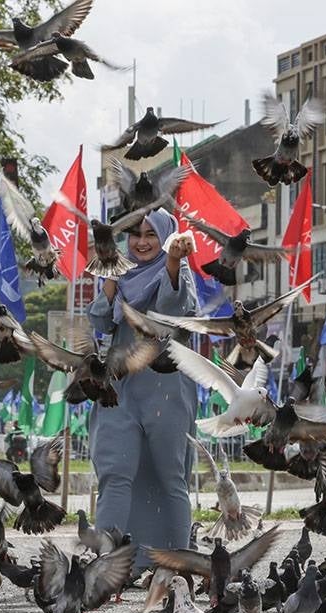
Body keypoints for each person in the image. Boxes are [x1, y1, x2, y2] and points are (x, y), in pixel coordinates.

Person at [86, 209, 198, 574]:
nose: (142, 241)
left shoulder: (180, 272)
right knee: (115, 472)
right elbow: (100, 322)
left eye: (152, 233)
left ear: (166, 237)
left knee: (170, 474)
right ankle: (108, 568)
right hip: (119, 388)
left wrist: (172, 262)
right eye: (135, 234)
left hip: (167, 387)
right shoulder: (117, 271)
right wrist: (108, 287)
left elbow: (173, 311)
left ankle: (176, 565)